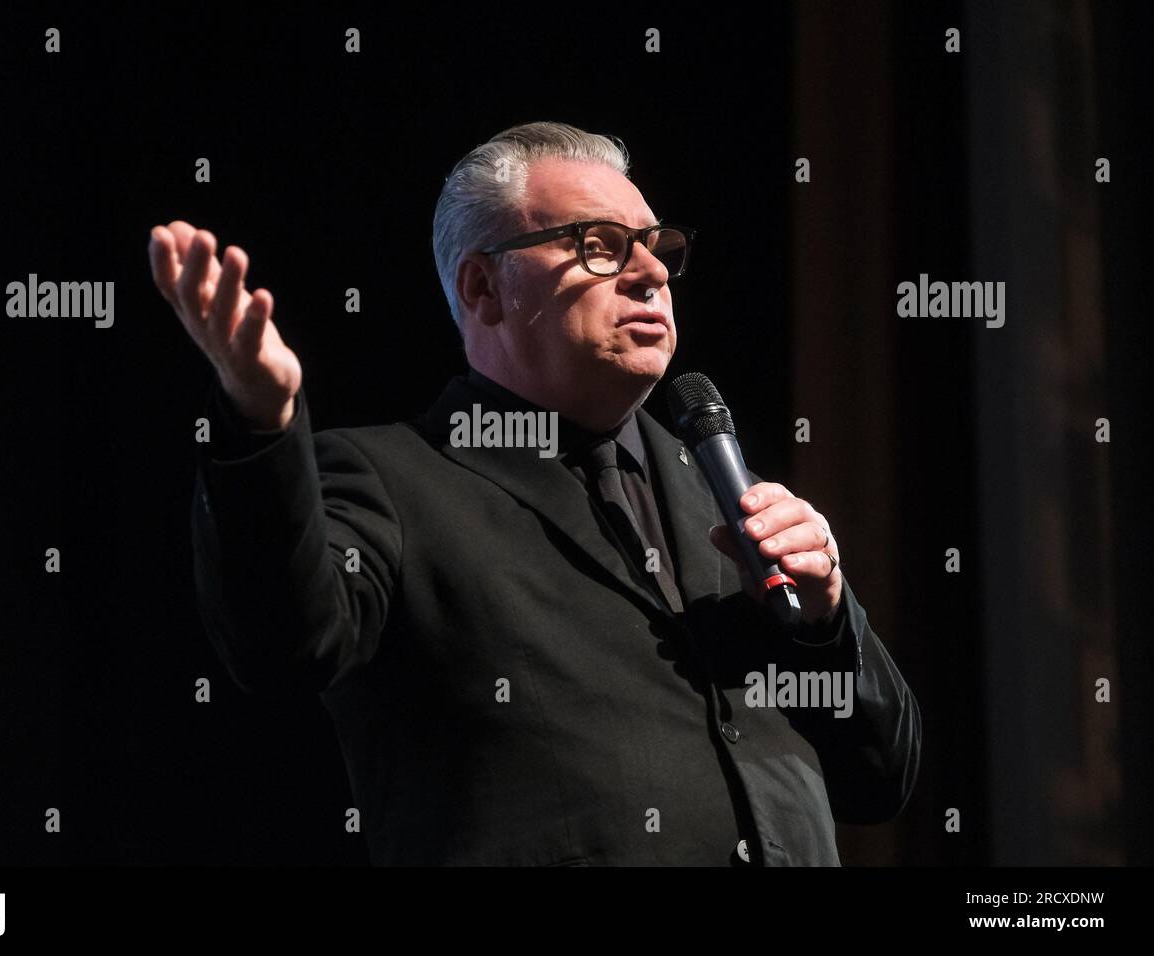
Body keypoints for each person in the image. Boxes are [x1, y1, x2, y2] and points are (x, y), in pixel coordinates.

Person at [147, 121, 921, 866]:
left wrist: (822, 625)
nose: (651, 274)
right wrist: (259, 422)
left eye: (656, 249)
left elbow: (880, 777)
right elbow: (282, 646)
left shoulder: (724, 495)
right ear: (484, 288)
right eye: (601, 246)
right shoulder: (391, 479)